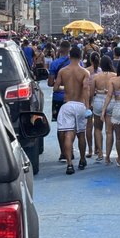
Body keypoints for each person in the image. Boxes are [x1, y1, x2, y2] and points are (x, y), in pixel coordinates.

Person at [54, 46, 92, 175]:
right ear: (81, 57)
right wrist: (87, 107)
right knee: (81, 134)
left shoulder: (63, 71)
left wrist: (66, 88)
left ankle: (69, 164)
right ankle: (82, 159)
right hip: (80, 105)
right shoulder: (85, 72)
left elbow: (55, 87)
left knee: (68, 134)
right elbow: (86, 90)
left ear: (69, 56)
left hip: (68, 104)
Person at [48, 40, 72, 160]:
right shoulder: (78, 65)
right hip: (73, 97)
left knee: (60, 126)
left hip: (58, 97)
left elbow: (50, 83)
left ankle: (63, 152)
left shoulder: (55, 64)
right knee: (72, 126)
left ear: (60, 50)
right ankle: (70, 151)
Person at [91, 55, 116, 163]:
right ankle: (108, 156)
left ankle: (100, 152)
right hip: (111, 101)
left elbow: (91, 93)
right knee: (109, 131)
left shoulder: (96, 77)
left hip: (98, 101)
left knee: (97, 128)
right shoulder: (115, 76)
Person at [84, 52, 102, 158]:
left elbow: (86, 87)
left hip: (88, 99)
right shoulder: (101, 71)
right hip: (98, 99)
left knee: (88, 126)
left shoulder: (86, 71)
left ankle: (90, 149)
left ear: (90, 60)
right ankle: (97, 148)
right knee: (98, 127)